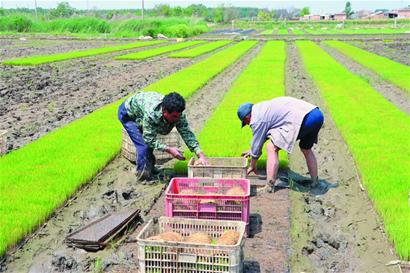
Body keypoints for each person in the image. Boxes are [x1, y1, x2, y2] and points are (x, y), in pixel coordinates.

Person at [237, 96, 324, 191]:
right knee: (306, 148)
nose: (248, 124)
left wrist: (253, 165)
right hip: (316, 114)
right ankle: (315, 182)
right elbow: (262, 137)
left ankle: (269, 186)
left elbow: (257, 143)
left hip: (303, 119)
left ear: (247, 117)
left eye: (246, 122)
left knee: (271, 147)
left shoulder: (257, 119)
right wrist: (252, 150)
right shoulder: (262, 108)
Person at [118, 91, 208, 180]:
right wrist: (169, 149)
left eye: (179, 115)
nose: (177, 119)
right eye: (174, 116)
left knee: (149, 140)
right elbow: (149, 139)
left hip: (142, 110)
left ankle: (151, 168)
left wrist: (200, 154)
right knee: (143, 145)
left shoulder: (178, 114)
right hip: (128, 114)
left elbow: (187, 133)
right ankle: (142, 175)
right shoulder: (151, 114)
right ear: (165, 111)